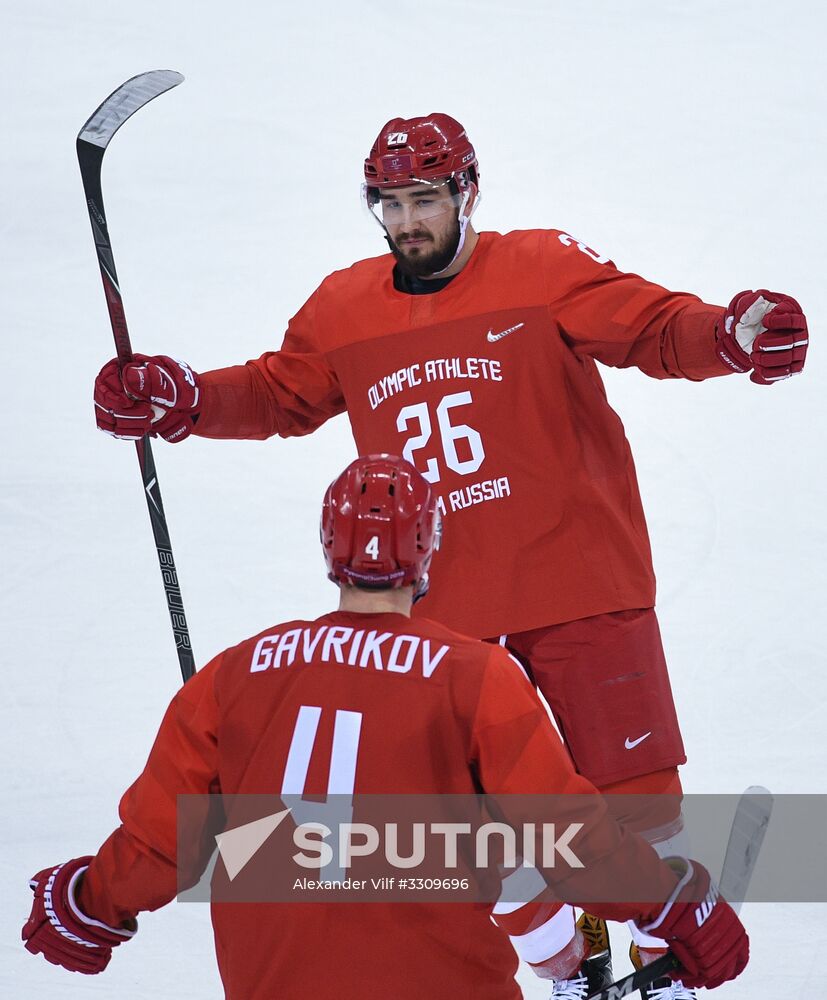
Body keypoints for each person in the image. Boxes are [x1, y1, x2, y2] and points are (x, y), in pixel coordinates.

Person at [92, 115, 808, 997]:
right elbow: (284, 390)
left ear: (467, 192)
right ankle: (564, 961)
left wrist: (727, 338)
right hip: (440, 608)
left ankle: (658, 949)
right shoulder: (343, 307)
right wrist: (189, 399)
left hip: (578, 573)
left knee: (632, 793)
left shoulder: (541, 266)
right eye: (388, 204)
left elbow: (651, 327)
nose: (405, 222)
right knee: (470, 818)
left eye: (423, 199)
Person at [23, 455, 748, 999]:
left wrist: (88, 901)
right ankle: (565, 965)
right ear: (428, 552)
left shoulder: (232, 674)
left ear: (328, 547)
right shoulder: (474, 676)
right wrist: (671, 900)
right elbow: (568, 839)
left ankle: (564, 962)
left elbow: (158, 846)